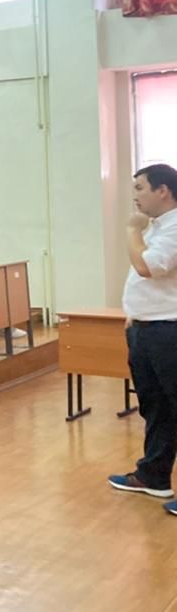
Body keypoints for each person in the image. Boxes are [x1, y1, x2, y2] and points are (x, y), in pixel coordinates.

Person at [107, 164, 177, 505]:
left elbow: (146, 267)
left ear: (162, 190)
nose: (134, 195)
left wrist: (131, 230)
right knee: (156, 405)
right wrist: (135, 315)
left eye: (139, 188)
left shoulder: (173, 227)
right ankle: (153, 475)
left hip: (169, 329)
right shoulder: (158, 226)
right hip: (147, 327)